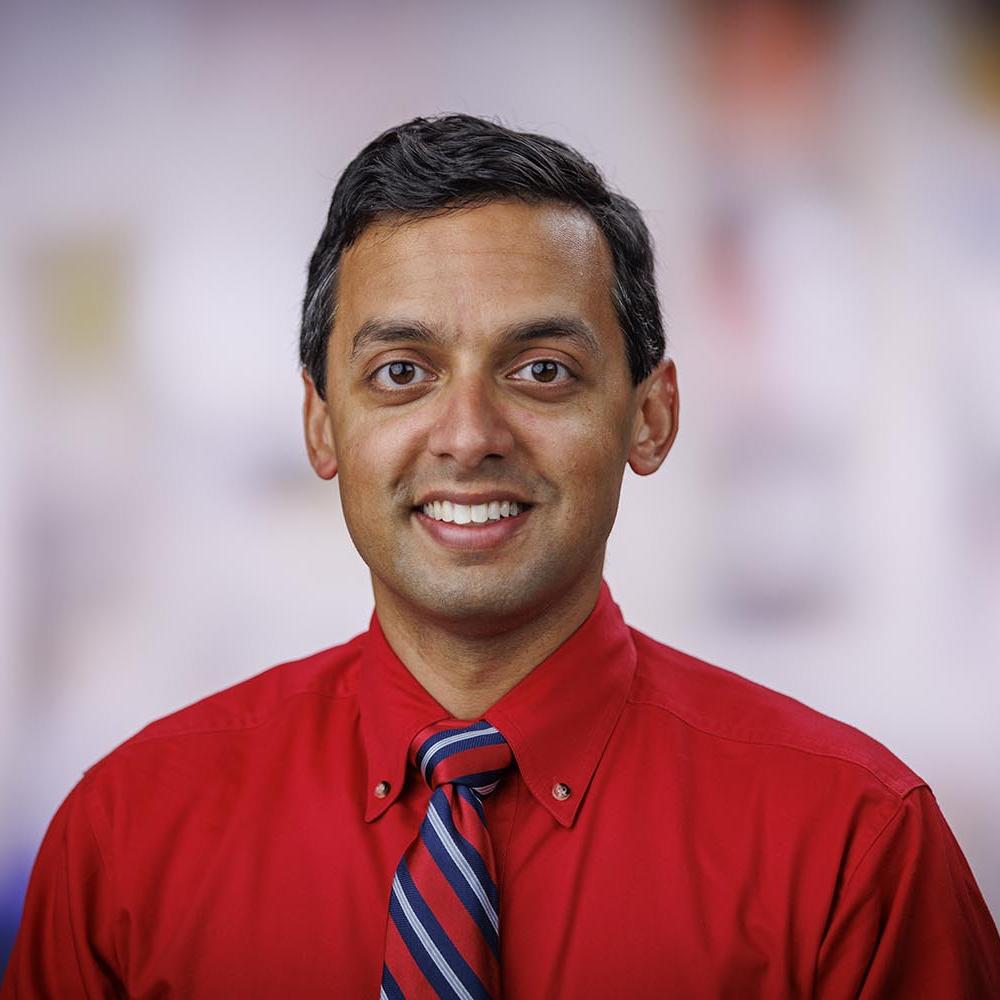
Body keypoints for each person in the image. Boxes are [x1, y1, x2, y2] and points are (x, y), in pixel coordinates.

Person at [3, 114, 998, 999]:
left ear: (650, 419)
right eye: (401, 373)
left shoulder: (853, 849)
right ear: (320, 427)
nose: (468, 433)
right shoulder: (125, 840)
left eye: (541, 371)